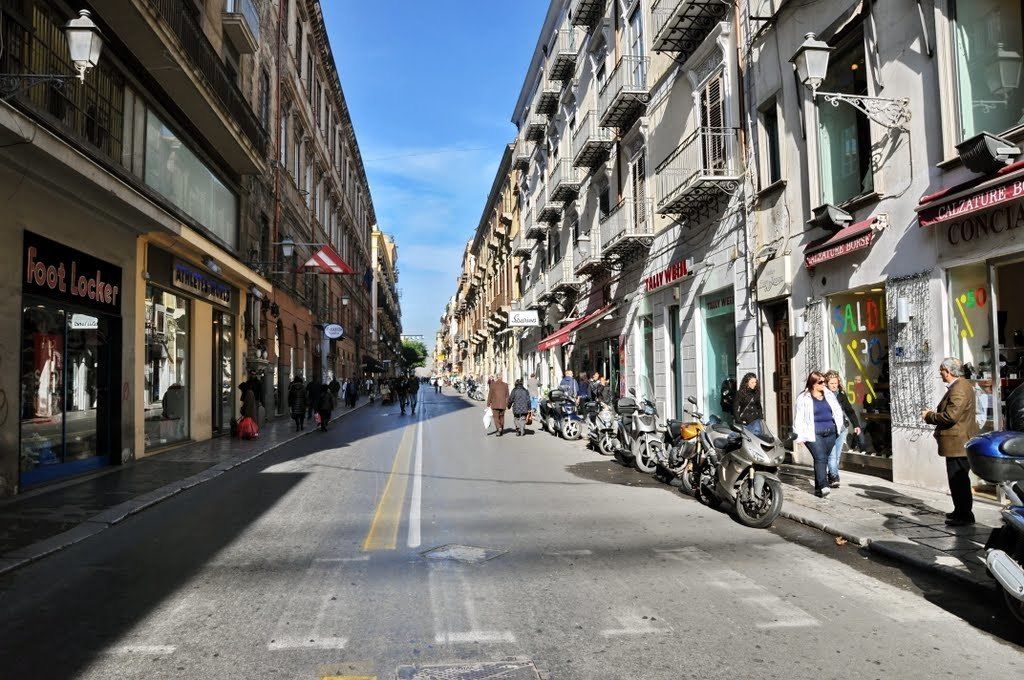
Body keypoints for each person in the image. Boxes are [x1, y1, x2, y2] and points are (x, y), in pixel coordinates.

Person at [922, 357, 979, 526]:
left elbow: (951, 416)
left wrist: (929, 416)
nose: (940, 373)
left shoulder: (959, 388)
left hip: (958, 444)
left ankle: (964, 515)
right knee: (957, 480)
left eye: (942, 370)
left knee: (959, 479)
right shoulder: (960, 386)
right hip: (958, 443)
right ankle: (960, 511)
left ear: (949, 372)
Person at [793, 371, 844, 498]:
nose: (823, 384)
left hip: (830, 432)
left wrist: (839, 427)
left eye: (824, 382)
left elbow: (837, 411)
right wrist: (798, 436)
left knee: (822, 459)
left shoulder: (829, 395)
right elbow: (798, 418)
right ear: (813, 384)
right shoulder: (804, 397)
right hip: (813, 434)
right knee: (820, 457)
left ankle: (818, 488)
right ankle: (824, 485)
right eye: (820, 382)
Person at [824, 370, 862, 488]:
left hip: (842, 428)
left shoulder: (841, 394)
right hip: (829, 428)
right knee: (831, 454)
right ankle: (834, 476)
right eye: (831, 384)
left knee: (837, 454)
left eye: (836, 383)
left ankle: (832, 475)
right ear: (826, 384)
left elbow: (849, 410)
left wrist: (856, 425)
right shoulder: (823, 395)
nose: (834, 386)